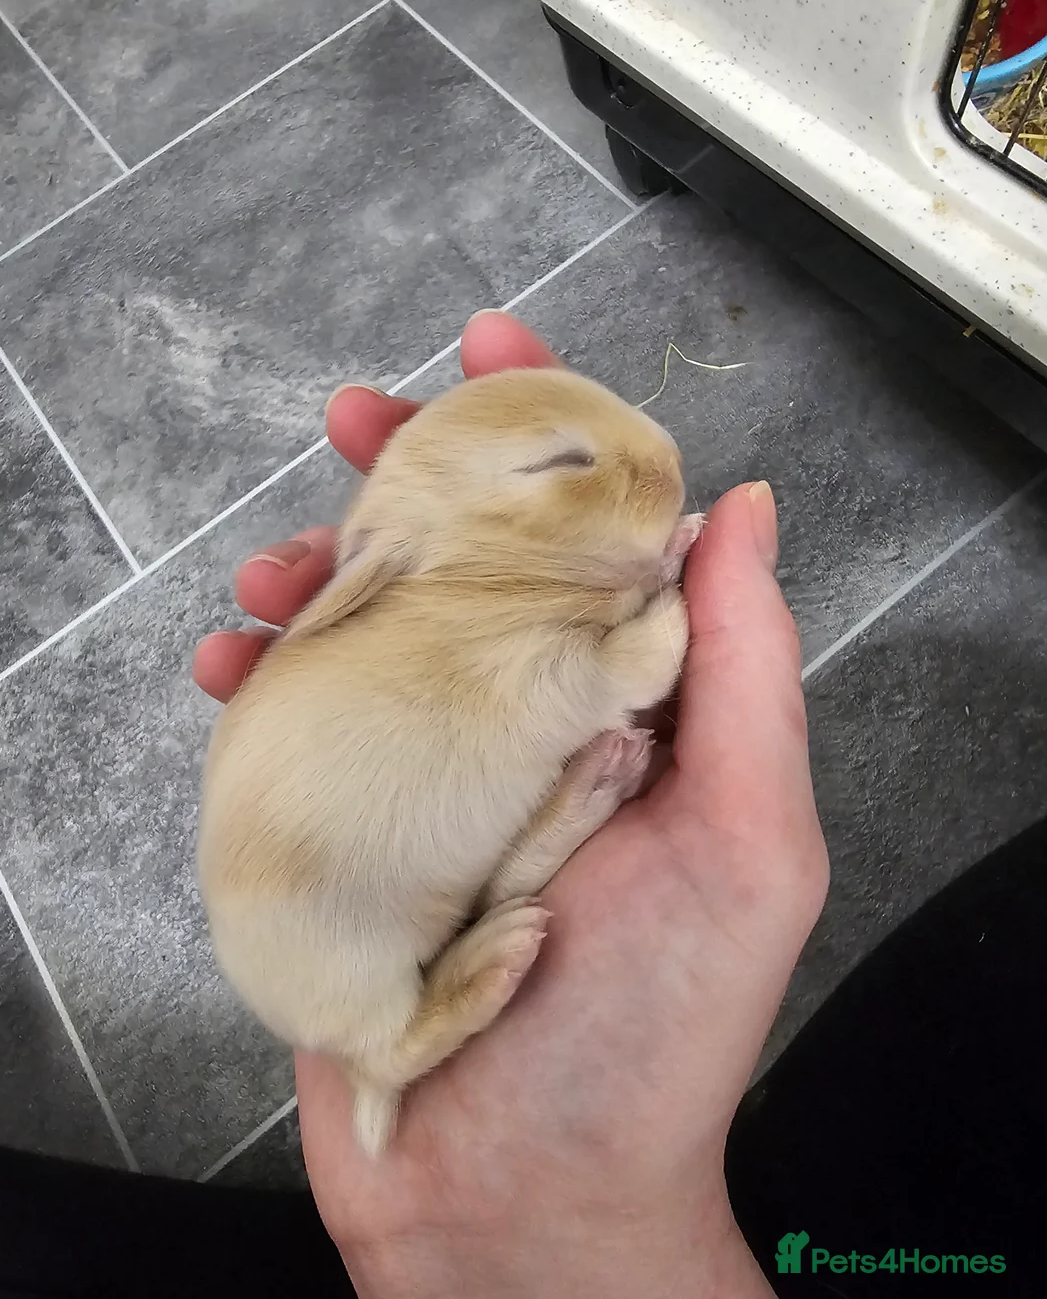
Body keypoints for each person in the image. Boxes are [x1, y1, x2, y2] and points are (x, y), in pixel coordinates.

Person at [193, 309, 829, 1298]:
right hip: (328, 944)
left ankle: (545, 845)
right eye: (564, 465)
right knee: (379, 978)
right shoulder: (432, 629)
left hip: (431, 890)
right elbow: (565, 685)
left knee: (498, 845)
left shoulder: (486, 591)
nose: (655, 456)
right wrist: (640, 644)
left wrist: (627, 590)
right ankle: (397, 1041)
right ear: (406, 549)